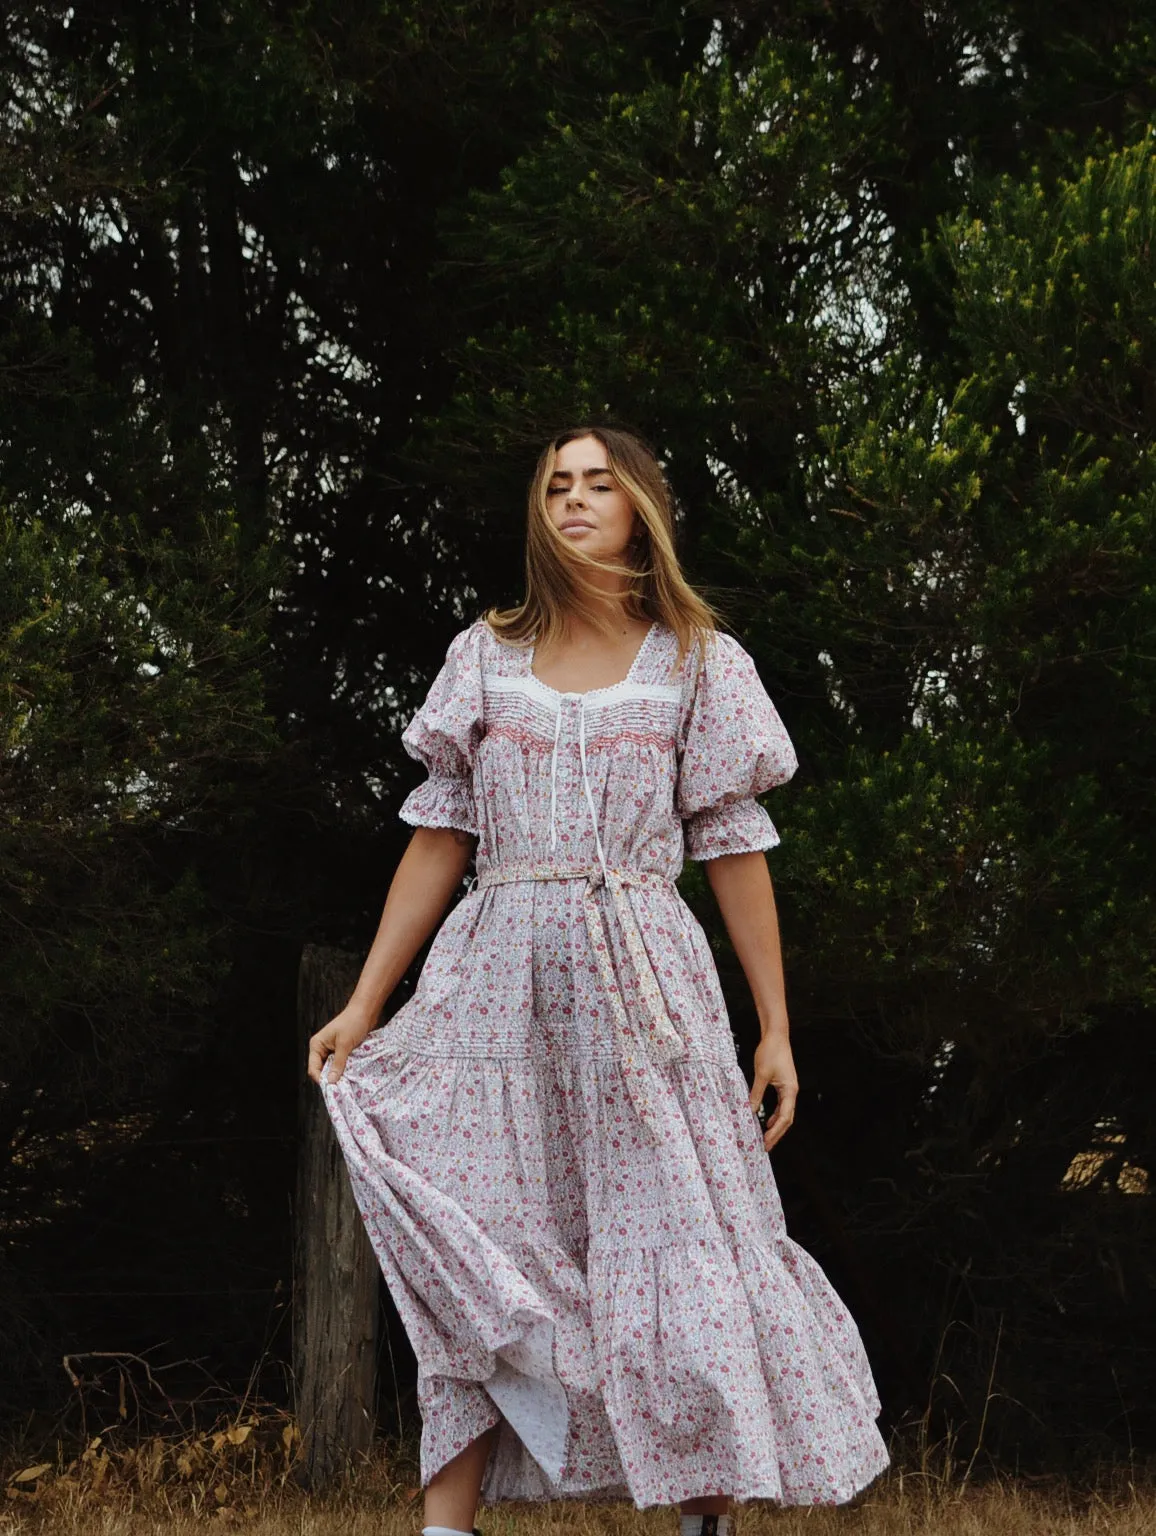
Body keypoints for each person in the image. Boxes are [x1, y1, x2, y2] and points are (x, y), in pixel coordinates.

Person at [307, 426, 889, 1536]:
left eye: (597, 485)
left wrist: (774, 1027)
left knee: (678, 1239)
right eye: (555, 486)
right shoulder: (483, 652)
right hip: (493, 981)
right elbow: (439, 836)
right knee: (477, 1239)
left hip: (645, 994)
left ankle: (702, 1517)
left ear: (640, 510)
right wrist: (366, 1000)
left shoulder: (699, 660)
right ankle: (445, 1529)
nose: (573, 502)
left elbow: (734, 848)